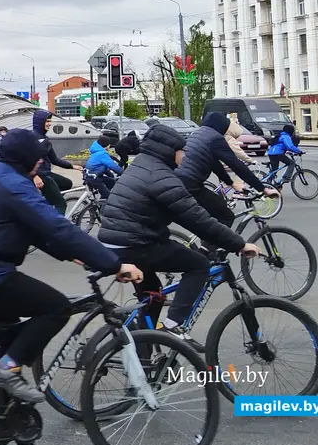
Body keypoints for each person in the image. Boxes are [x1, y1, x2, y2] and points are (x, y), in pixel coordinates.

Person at [0, 128, 142, 402]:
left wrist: (75, 255)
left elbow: (38, 231)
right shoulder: (13, 185)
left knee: (12, 343)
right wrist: (113, 263)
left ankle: (8, 416)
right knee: (56, 308)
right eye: (37, 158)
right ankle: (5, 370)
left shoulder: (2, 176)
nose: (41, 162)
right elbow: (57, 227)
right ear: (25, 159)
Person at [97, 124, 260, 347]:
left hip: (118, 241)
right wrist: (239, 244)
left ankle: (142, 353)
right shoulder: (163, 177)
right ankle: (173, 326)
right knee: (199, 265)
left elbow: (186, 217)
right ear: (169, 150)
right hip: (135, 243)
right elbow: (197, 219)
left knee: (153, 294)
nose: (185, 156)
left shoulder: (142, 166)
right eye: (182, 151)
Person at [176, 112, 277, 230]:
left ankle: (208, 241)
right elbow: (236, 165)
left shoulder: (198, 134)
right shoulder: (215, 139)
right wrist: (263, 189)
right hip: (190, 183)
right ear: (222, 126)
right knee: (226, 216)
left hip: (179, 178)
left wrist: (232, 184)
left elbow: (214, 164)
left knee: (212, 213)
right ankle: (208, 247)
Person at [31, 110, 82, 215]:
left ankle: (48, 205)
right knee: (61, 204)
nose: (49, 124)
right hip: (41, 176)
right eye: (47, 121)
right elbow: (26, 158)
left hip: (46, 173)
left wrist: (72, 166)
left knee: (67, 183)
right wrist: (34, 176)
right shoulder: (33, 138)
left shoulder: (45, 139)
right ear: (39, 122)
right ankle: (56, 229)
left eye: (50, 121)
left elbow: (54, 159)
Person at [85, 135, 122, 199]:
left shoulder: (97, 151)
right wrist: (123, 173)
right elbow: (113, 166)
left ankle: (102, 201)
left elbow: (101, 166)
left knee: (111, 181)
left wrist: (110, 175)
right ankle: (102, 204)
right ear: (106, 145)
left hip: (92, 175)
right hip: (93, 178)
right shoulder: (101, 154)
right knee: (108, 195)